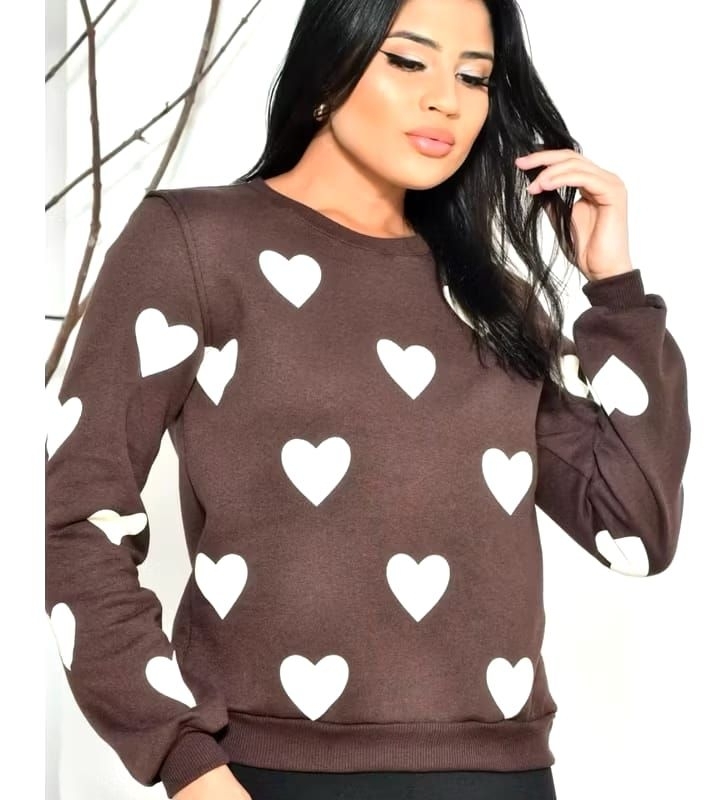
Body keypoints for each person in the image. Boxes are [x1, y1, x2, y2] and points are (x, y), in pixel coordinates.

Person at [44, 0, 691, 798]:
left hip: (503, 778)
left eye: (474, 77)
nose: (445, 100)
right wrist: (186, 763)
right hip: (266, 774)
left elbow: (635, 528)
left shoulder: (497, 303)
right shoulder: (193, 245)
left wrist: (615, 292)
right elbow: (72, 519)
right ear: (329, 67)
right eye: (408, 61)